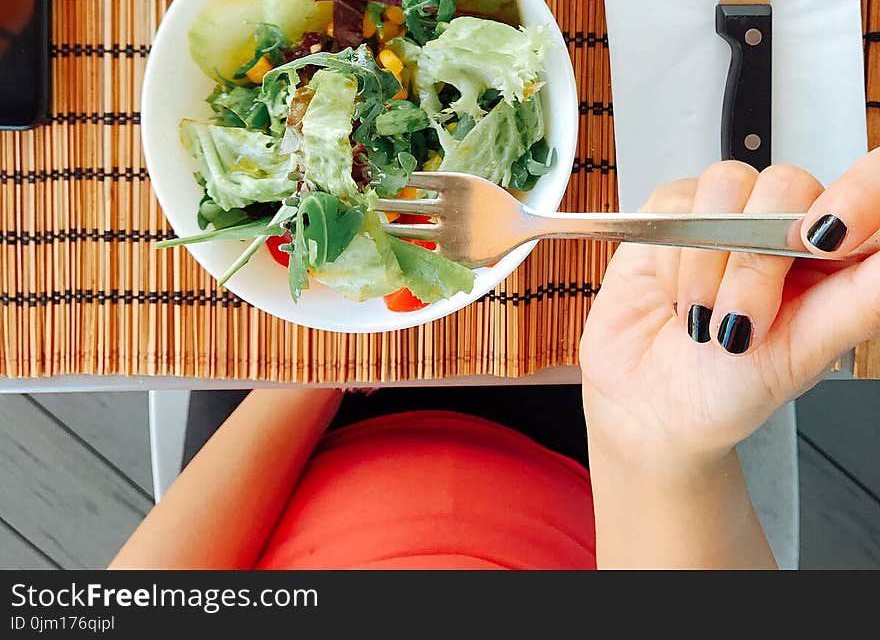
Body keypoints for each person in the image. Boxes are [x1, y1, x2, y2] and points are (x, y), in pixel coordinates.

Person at [110, 153, 880, 571]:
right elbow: (655, 454)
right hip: (594, 461)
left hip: (294, 453)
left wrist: (324, 367)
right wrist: (653, 448)